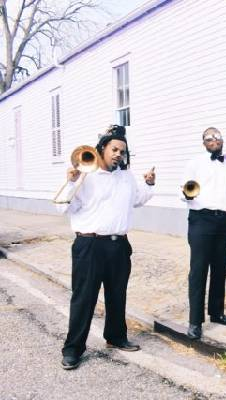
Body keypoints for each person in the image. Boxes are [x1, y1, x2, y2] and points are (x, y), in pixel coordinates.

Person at [58, 125, 155, 370]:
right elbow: (62, 207)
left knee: (117, 295)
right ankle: (73, 349)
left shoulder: (125, 176)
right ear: (102, 149)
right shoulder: (84, 176)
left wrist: (149, 184)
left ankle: (115, 337)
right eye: (114, 149)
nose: (118, 155)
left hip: (118, 246)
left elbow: (138, 199)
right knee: (83, 299)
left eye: (122, 151)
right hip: (89, 245)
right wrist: (71, 183)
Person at [182, 127, 226, 340]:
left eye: (217, 137)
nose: (214, 140)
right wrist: (188, 196)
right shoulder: (194, 163)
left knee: (220, 268)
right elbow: (184, 189)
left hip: (224, 221)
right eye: (209, 138)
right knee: (198, 270)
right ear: (203, 142)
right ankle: (195, 321)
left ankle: (217, 313)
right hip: (201, 220)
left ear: (222, 141)